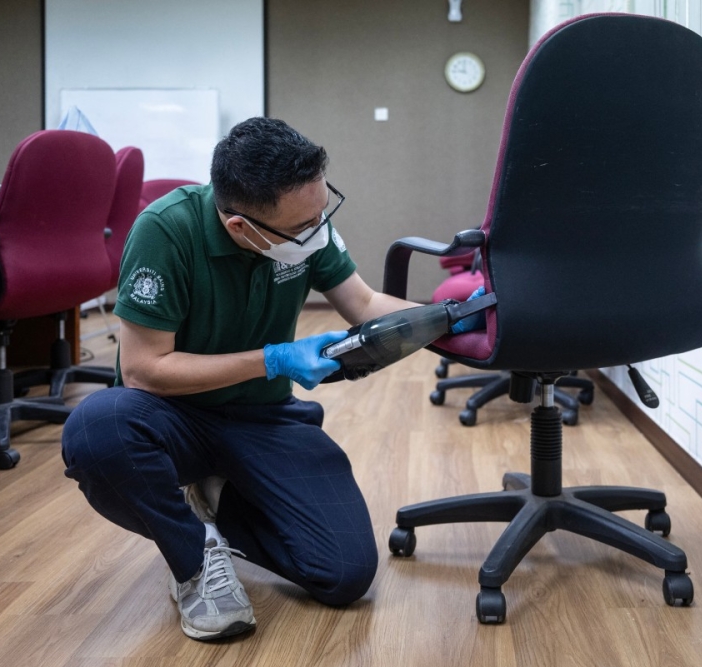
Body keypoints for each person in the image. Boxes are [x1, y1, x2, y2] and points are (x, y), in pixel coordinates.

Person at [62, 117, 441, 641]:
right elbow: (144, 370)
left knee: (344, 573)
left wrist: (449, 322)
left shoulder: (303, 226)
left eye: (322, 208)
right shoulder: (166, 231)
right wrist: (274, 359)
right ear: (242, 227)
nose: (318, 228)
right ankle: (195, 556)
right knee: (96, 430)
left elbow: (365, 303)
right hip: (173, 416)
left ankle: (218, 498)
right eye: (304, 223)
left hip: (264, 416)